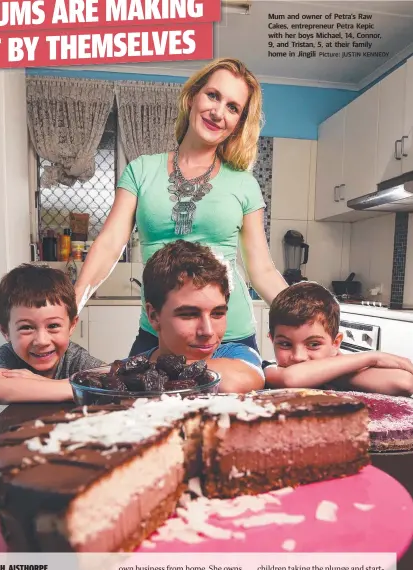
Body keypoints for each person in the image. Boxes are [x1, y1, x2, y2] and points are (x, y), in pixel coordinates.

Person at [75, 57, 287, 355]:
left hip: (229, 339)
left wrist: (305, 317)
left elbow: (262, 270)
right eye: (213, 95)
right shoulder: (141, 170)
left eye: (233, 107)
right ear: (192, 97)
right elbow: (110, 244)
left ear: (239, 123)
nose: (218, 112)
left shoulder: (244, 183)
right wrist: (74, 303)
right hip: (159, 335)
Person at [136, 240, 265, 394]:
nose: (208, 331)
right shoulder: (131, 367)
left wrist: (146, 375)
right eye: (189, 315)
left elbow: (237, 382)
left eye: (217, 314)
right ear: (154, 316)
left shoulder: (238, 354)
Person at [263, 282, 413, 396]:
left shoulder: (340, 372)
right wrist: (372, 357)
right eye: (285, 344)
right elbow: (291, 379)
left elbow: (404, 383)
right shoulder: (269, 371)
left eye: (314, 344)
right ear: (272, 340)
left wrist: (330, 372)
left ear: (336, 343)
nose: (298, 357)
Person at [0, 264, 104, 404]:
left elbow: (114, 376)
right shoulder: (9, 354)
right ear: (5, 331)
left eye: (53, 326)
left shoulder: (74, 357)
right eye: (26, 327)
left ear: (72, 325)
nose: (42, 341)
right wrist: (77, 388)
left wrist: (41, 382)